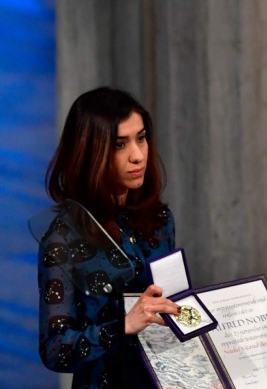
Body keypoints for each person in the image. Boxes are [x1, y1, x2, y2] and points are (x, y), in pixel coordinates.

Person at [36, 87, 180, 388]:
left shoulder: (159, 220)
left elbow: (171, 299)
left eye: (141, 138)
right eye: (119, 144)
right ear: (90, 152)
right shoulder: (62, 239)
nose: (138, 155)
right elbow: (54, 350)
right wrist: (123, 326)